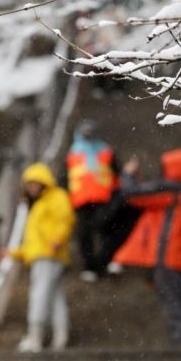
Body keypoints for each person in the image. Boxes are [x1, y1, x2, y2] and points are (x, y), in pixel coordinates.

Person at [112, 148, 181, 348]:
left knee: (174, 305)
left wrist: (128, 175)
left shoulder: (175, 192)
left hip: (168, 259)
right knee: (178, 303)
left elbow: (133, 194)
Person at [2, 162, 76, 352]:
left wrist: (58, 239)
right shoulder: (36, 206)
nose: (32, 187)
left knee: (40, 294)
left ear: (44, 183)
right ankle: (61, 336)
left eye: (35, 183)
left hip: (49, 255)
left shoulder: (56, 197)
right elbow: (32, 243)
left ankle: (34, 336)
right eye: (29, 184)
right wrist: (12, 253)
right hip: (42, 255)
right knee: (55, 298)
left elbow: (65, 219)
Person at [65, 119, 135, 280]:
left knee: (107, 229)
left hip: (104, 198)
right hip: (81, 200)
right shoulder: (72, 154)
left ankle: (106, 262)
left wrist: (120, 188)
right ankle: (90, 266)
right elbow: (65, 177)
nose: (88, 135)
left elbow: (117, 173)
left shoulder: (106, 151)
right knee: (84, 234)